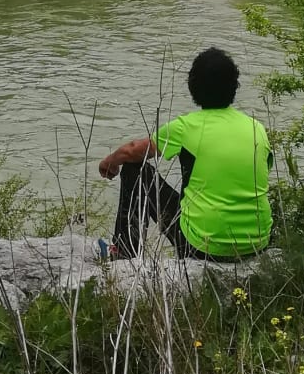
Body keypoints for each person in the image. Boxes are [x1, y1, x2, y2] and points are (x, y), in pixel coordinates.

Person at [97, 46, 273, 261]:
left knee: (135, 169)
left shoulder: (186, 127)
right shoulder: (257, 128)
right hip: (257, 244)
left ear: (193, 87)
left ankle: (124, 251)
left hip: (203, 247)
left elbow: (132, 151)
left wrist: (110, 162)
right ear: (234, 86)